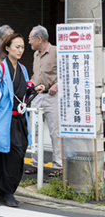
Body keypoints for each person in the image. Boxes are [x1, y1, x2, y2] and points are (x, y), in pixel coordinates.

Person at [0, 33, 45, 207]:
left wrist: (33, 89)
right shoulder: (0, 69)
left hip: (19, 120)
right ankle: (8, 192)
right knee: (10, 155)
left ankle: (5, 190)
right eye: (17, 47)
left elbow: (23, 91)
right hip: (4, 120)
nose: (20, 50)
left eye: (22, 47)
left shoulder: (23, 69)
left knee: (18, 153)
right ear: (7, 48)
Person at [24, 25, 61, 177]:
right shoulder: (36, 54)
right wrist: (30, 84)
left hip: (53, 96)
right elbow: (36, 74)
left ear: (39, 39)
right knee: (35, 131)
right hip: (38, 95)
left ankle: (58, 165)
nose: (29, 42)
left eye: (30, 39)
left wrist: (57, 85)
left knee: (55, 131)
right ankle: (36, 163)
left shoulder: (57, 51)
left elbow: (65, 72)